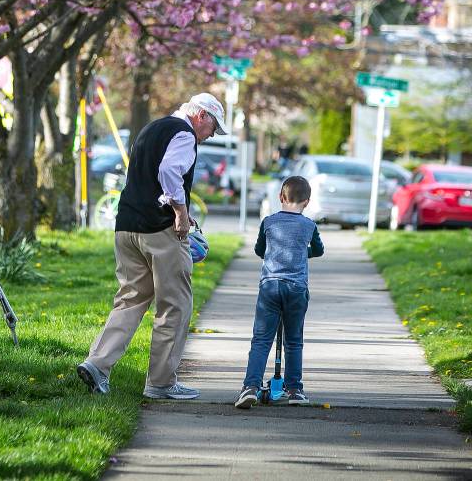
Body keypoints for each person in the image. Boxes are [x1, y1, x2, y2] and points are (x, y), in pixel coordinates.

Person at [77, 93, 227, 399]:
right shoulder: (184, 135)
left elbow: (150, 177)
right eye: (213, 128)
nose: (211, 136)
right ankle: (160, 382)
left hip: (127, 226)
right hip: (160, 230)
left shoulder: (153, 127)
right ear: (202, 116)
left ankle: (97, 364)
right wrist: (182, 213)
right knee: (176, 305)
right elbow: (169, 172)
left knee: (130, 299)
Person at [234, 175, 324, 409]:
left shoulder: (269, 222)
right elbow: (319, 250)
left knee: (261, 340)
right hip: (296, 288)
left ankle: (250, 387)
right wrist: (301, 253)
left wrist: (275, 254)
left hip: (270, 286)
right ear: (307, 201)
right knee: (294, 341)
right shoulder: (309, 225)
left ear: (281, 197)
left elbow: (259, 250)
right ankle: (294, 390)